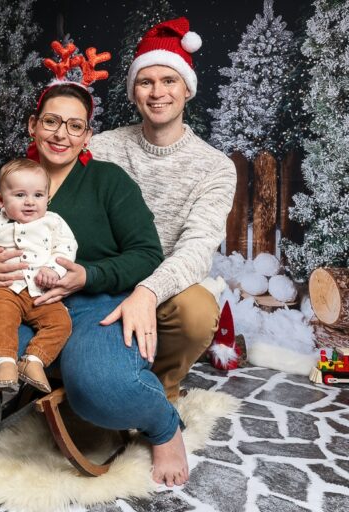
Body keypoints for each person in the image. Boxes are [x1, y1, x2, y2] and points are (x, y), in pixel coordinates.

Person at [0, 72, 198, 484]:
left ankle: (163, 425)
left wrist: (88, 276)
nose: (62, 134)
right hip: (23, 304)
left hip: (95, 304)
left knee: (99, 391)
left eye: (75, 126)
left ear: (86, 135)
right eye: (51, 121)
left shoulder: (109, 182)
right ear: (33, 125)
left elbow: (148, 254)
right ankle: (2, 391)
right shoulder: (11, 181)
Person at [88, 17, 236, 408]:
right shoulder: (102, 149)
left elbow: (197, 249)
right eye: (145, 82)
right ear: (133, 91)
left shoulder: (215, 166)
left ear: (187, 89)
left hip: (166, 289)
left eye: (169, 81)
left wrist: (148, 291)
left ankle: (162, 386)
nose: (157, 93)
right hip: (105, 276)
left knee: (198, 312)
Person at [0, 158, 78, 393]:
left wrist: (53, 269)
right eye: (20, 195)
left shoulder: (53, 222)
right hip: (4, 288)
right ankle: (5, 362)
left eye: (38, 195)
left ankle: (34, 360)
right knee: (1, 320)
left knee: (61, 323)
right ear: (0, 199)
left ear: (47, 197)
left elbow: (67, 248)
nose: (30, 202)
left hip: (41, 292)